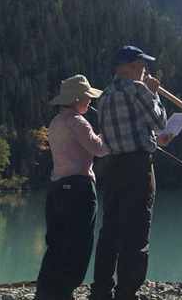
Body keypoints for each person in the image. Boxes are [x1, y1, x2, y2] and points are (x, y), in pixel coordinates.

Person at [90, 45, 173, 300]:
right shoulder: (138, 90)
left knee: (111, 230)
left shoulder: (104, 96)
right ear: (131, 65)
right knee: (136, 230)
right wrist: (154, 93)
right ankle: (126, 292)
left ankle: (101, 289)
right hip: (138, 167)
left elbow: (124, 131)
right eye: (141, 64)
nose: (144, 69)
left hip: (114, 166)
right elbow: (160, 122)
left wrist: (152, 139)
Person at [36, 74, 108, 300]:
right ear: (76, 98)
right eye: (86, 98)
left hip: (56, 188)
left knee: (56, 241)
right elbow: (99, 149)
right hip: (79, 187)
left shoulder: (56, 122)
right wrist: (109, 132)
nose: (89, 102)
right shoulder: (77, 121)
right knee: (78, 242)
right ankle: (64, 292)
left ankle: (46, 292)